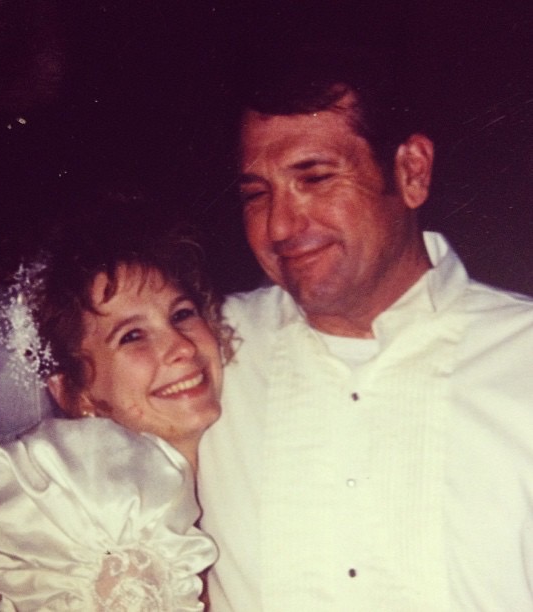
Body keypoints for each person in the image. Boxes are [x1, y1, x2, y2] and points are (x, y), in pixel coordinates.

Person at [198, 44, 533, 610]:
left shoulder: (523, 355)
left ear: (412, 172)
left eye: (315, 178)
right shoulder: (204, 352)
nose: (280, 225)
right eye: (257, 194)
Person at [0, 199, 230, 610]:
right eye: (132, 336)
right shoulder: (89, 531)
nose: (182, 347)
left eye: (181, 314)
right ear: (76, 393)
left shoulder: (232, 465)